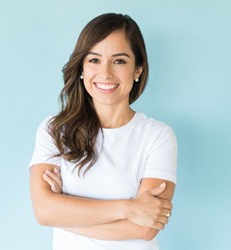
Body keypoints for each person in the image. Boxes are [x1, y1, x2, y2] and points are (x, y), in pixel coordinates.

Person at [29, 13, 177, 250]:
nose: (106, 73)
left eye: (119, 61)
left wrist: (65, 212)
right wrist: (128, 208)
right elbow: (44, 211)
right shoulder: (55, 130)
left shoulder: (157, 136)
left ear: (137, 69)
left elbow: (145, 228)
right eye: (94, 60)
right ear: (81, 68)